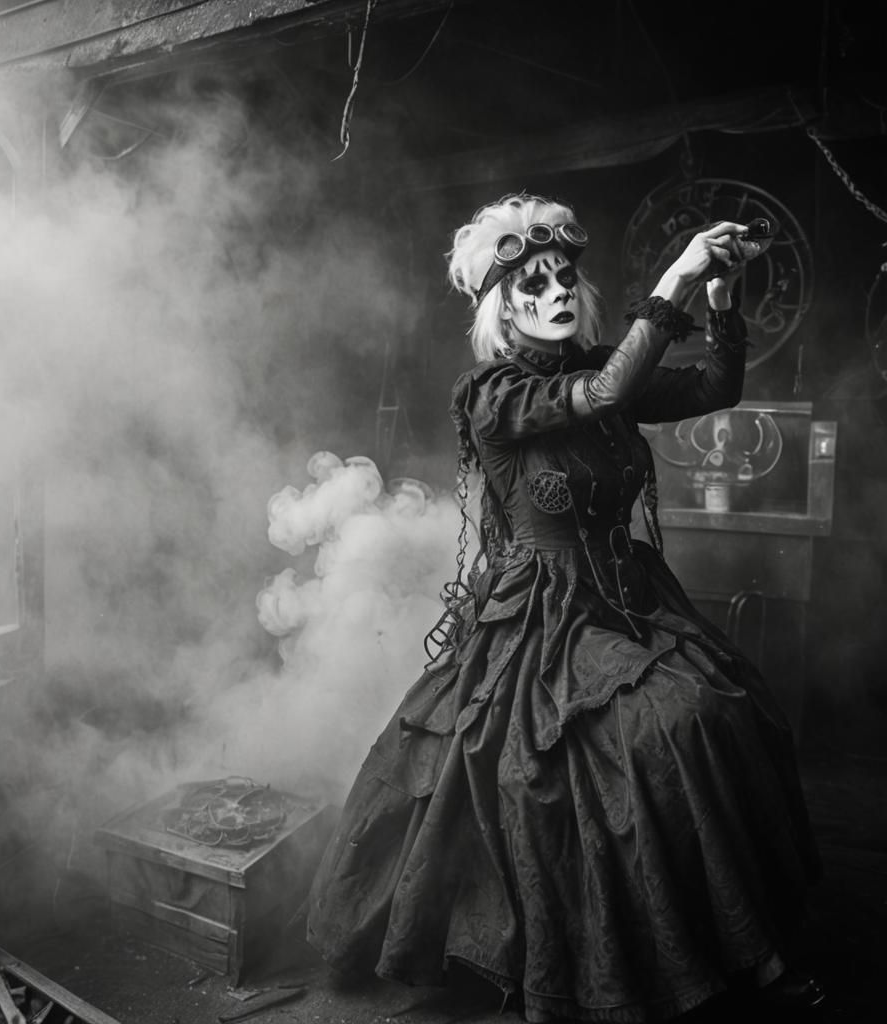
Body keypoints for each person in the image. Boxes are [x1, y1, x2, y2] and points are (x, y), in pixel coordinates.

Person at [305, 193, 824, 1022]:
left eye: (562, 277)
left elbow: (718, 387)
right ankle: (634, 959)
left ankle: (734, 946)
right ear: (500, 311)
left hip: (628, 597)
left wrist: (719, 295)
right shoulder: (494, 396)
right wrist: (681, 271)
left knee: (727, 710)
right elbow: (614, 389)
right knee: (666, 728)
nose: (553, 292)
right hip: (545, 616)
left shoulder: (597, 365)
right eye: (530, 285)